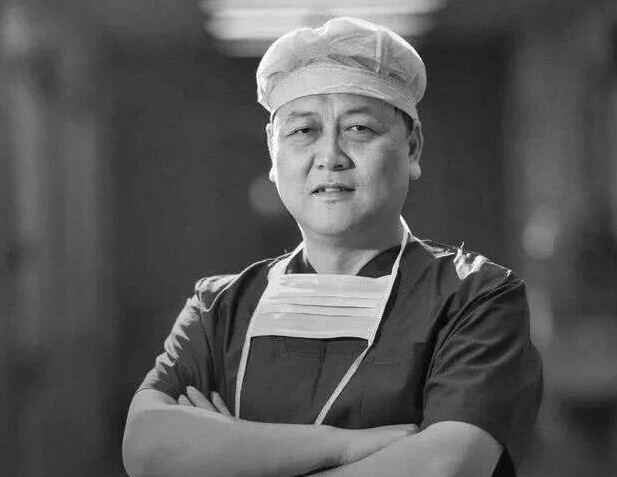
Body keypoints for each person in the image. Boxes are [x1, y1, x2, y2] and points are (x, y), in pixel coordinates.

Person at [122, 17, 542, 477]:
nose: (330, 157)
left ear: (413, 147)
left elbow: (445, 466)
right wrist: (349, 448)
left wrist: (227, 455)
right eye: (303, 131)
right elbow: (146, 448)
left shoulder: (476, 299)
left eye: (359, 128)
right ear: (272, 152)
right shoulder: (219, 308)